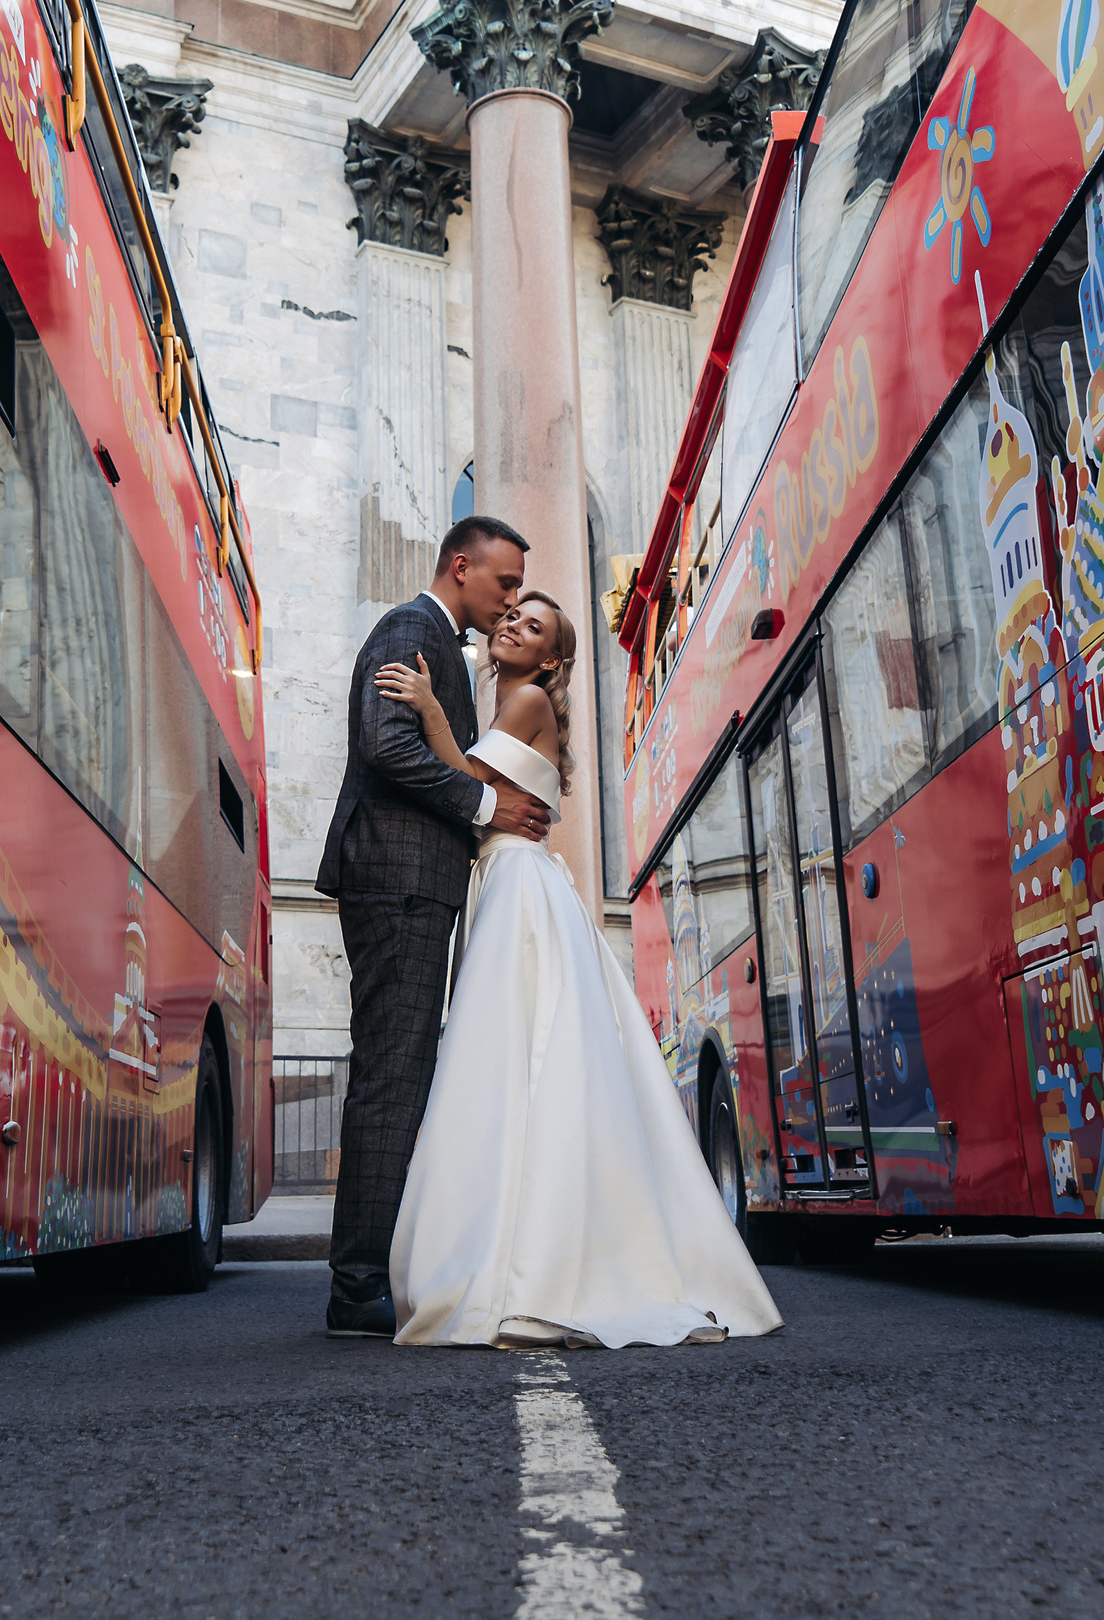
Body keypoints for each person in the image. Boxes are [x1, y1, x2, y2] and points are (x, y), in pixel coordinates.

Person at [372, 592, 782, 1349]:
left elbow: (465, 782)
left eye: (531, 626)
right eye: (510, 616)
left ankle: (523, 1261)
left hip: (519, 887)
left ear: (551, 660)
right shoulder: (509, 703)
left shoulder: (527, 701)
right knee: (519, 1061)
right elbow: (483, 796)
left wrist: (427, 706)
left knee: (512, 1059)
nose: (510, 624)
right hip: (509, 879)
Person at [314, 517, 553, 1338]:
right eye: (505, 582)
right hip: (399, 878)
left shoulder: (439, 644)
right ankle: (357, 1286)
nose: (512, 599)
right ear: (461, 566)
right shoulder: (410, 629)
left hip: (413, 880)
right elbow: (385, 746)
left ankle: (372, 1272)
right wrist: (487, 805)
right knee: (393, 1072)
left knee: (402, 1068)